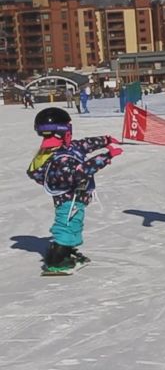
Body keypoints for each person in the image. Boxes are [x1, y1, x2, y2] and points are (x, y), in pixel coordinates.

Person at [27, 107, 123, 272]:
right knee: (66, 226)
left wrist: (105, 140)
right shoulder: (60, 158)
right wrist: (106, 157)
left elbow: (84, 144)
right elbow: (78, 173)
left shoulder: (66, 148)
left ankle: (67, 252)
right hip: (67, 201)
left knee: (75, 224)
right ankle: (56, 261)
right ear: (63, 131)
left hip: (76, 199)